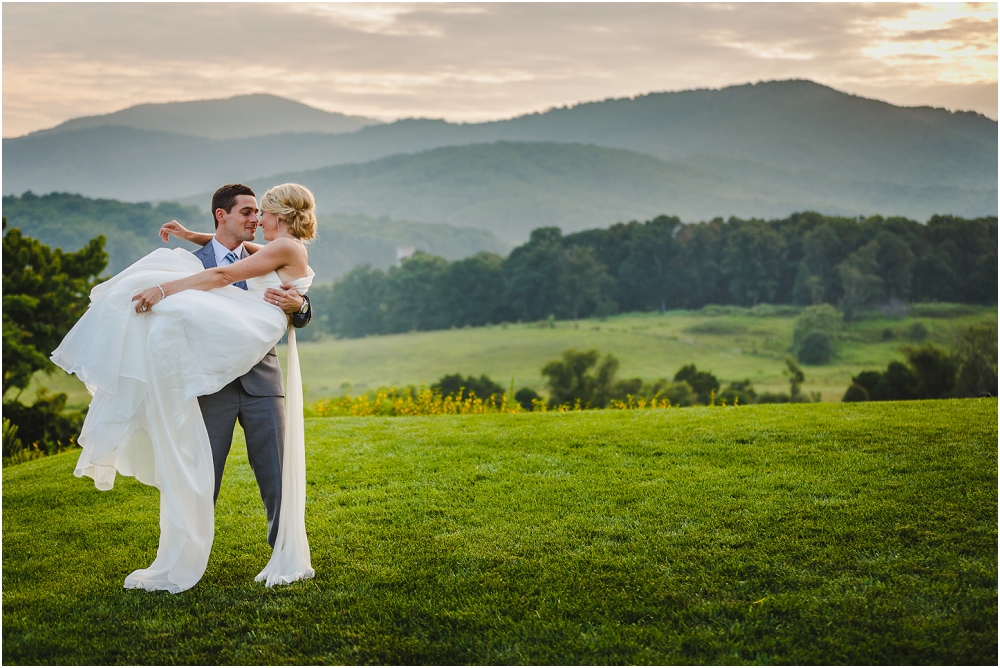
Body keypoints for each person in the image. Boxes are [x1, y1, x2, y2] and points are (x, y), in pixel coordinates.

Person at [51, 183, 318, 593]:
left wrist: (298, 306)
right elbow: (222, 259)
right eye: (246, 213)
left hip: (262, 380)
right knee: (197, 475)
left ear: (277, 215)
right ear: (221, 217)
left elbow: (231, 275)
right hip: (212, 385)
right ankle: (186, 555)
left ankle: (284, 552)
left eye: (259, 212)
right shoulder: (204, 260)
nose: (254, 219)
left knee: (276, 474)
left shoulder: (272, 251)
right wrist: (193, 238)